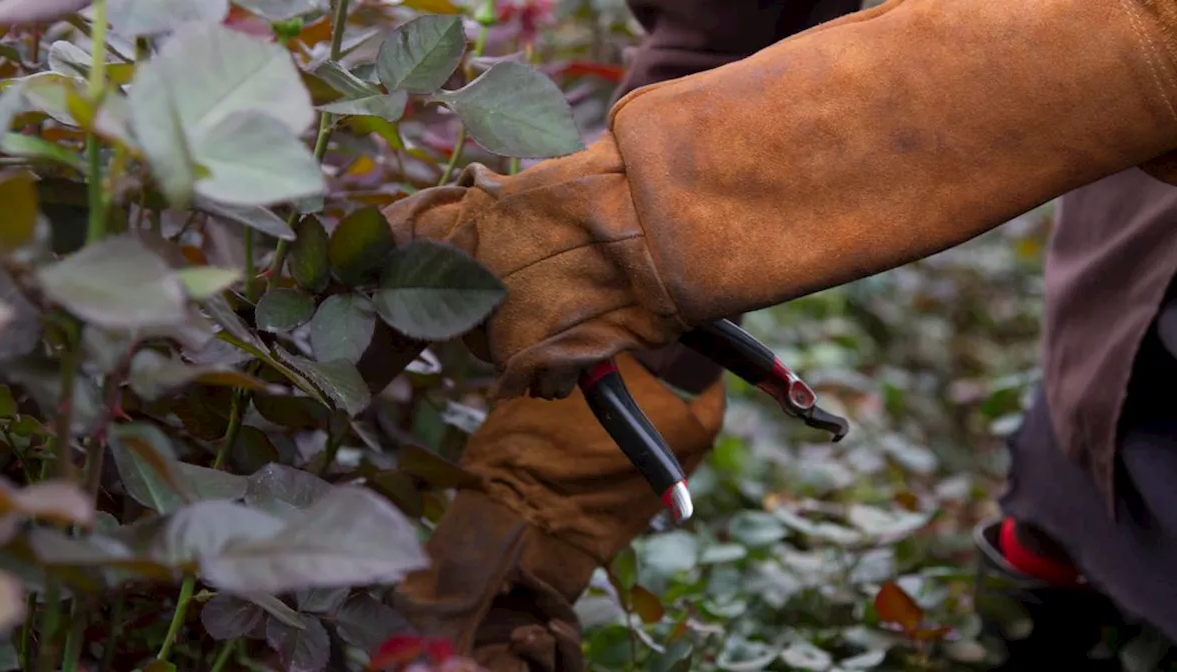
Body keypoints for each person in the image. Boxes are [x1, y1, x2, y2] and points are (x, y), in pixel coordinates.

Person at [384, 0, 1177, 669]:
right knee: (1080, 490)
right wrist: (531, 519)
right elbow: (731, 26)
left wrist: (609, 236)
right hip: (1125, 334)